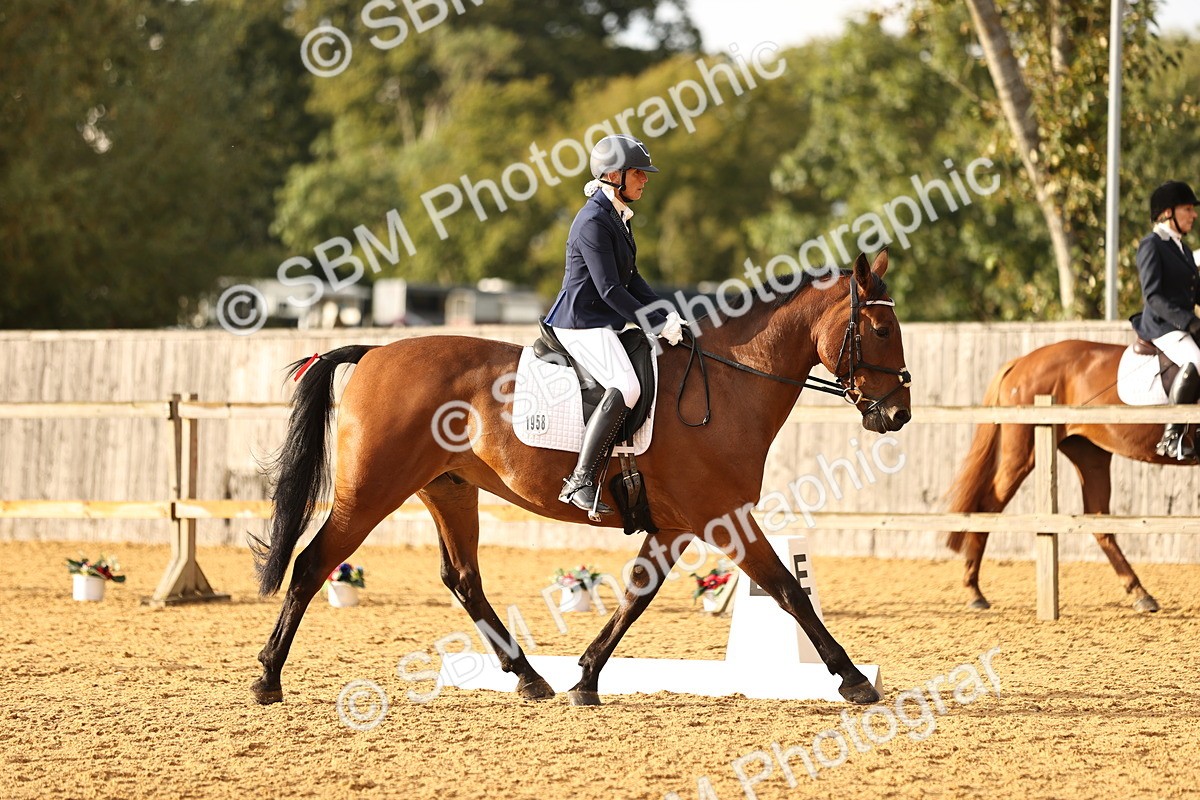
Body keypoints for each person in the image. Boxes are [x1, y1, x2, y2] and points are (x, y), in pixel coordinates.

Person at [543, 134, 685, 514]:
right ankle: (580, 480)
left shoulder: (616, 216)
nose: (646, 179)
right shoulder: (592, 221)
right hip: (581, 322)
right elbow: (609, 289)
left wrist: (666, 312)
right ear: (613, 175)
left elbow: (632, 278)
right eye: (639, 172)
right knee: (626, 385)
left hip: (601, 321)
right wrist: (653, 323)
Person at [1130, 180, 1200, 459]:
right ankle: (1172, 436)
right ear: (1168, 213)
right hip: (1162, 325)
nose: (1193, 215)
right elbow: (1153, 296)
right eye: (1187, 209)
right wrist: (1189, 321)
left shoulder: (1181, 248)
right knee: (1197, 362)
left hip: (1182, 323)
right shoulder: (1151, 245)